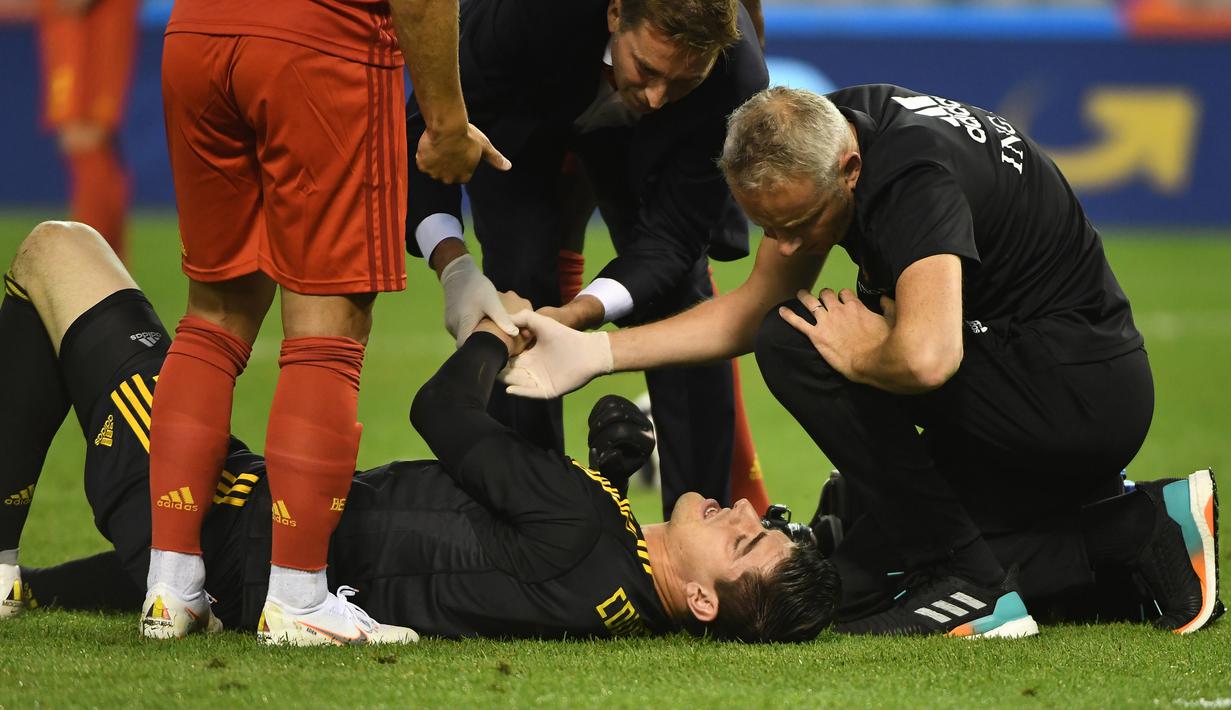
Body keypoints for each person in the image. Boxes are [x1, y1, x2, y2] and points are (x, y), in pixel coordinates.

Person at [499, 85, 1223, 637]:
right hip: (1034, 386)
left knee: (798, 344)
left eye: (795, 225)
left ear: (847, 170)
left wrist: (860, 345)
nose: (783, 246)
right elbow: (750, 307)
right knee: (852, 581)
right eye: (766, 227)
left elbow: (928, 357)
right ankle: (1136, 530)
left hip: (1073, 402)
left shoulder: (911, 177)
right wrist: (596, 351)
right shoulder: (828, 137)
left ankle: (969, 580)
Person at [0, 221, 839, 643]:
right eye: (759, 522)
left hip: (219, 515)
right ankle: (27, 587)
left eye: (740, 544)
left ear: (698, 602)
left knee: (55, 249)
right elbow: (507, 549)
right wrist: (606, 476)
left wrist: (493, 327)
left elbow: (441, 414)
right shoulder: (610, 596)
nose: (740, 512)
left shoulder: (584, 529)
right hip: (254, 557)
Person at [143, 0, 512, 644]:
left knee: (214, 316)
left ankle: (170, 590)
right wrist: (449, 123)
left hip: (197, 34)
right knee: (328, 326)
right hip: (317, 44)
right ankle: (298, 598)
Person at [405, 0, 769, 517]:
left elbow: (671, 239)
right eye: (647, 69)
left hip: (642, 148)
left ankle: (701, 530)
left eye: (682, 83)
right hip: (529, 105)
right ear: (616, 13)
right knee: (519, 278)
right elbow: (428, 128)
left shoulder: (732, 79)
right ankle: (530, 523)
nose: (659, 98)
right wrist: (454, 267)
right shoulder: (521, 16)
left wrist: (577, 318)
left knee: (679, 299)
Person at [37, 0, 138, 260]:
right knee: (91, 148)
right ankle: (111, 270)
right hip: (79, 26)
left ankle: (93, 265)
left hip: (92, 28)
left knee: (86, 139)